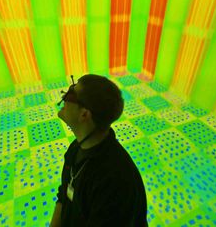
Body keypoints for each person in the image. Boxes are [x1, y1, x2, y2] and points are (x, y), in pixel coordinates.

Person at [50, 74, 147, 227]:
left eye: (71, 93)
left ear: (84, 114)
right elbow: (64, 197)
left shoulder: (116, 182)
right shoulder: (76, 148)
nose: (64, 96)